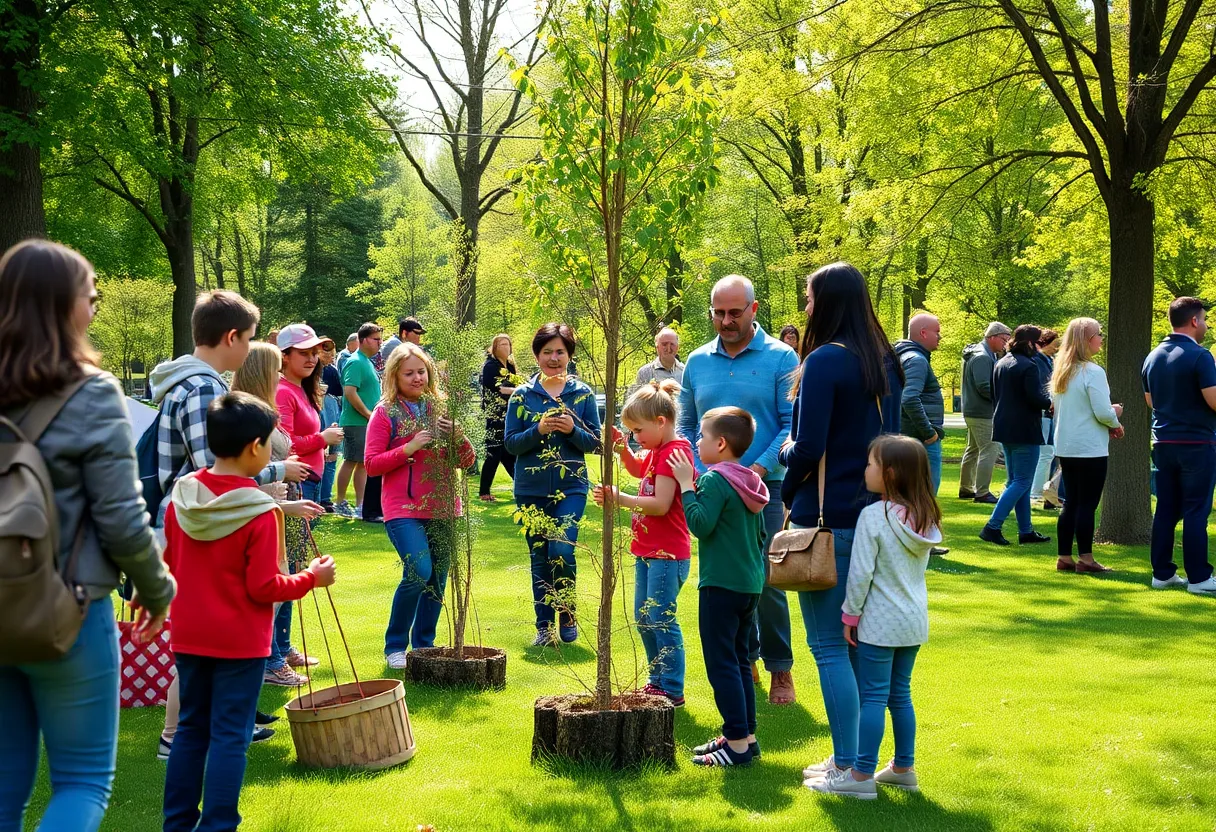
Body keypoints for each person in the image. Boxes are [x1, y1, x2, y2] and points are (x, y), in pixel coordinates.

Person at [0, 240, 176, 832]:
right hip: (68, 608)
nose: (97, 301)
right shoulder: (90, 391)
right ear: (60, 304)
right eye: (90, 291)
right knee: (80, 783)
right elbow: (123, 518)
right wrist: (157, 589)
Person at [161, 392, 336, 832]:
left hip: (188, 633)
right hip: (239, 643)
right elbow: (264, 588)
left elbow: (169, 567)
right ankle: (219, 825)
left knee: (190, 731)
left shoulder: (183, 498)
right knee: (228, 738)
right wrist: (312, 577)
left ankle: (177, 825)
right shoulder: (260, 512)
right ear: (256, 447)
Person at [778, 262, 903, 793]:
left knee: (829, 644)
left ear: (826, 302)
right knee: (855, 644)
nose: (806, 307)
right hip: (875, 516)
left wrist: (784, 461)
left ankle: (853, 768)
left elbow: (807, 448)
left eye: (809, 297)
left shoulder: (826, 360)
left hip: (827, 522)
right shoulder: (886, 360)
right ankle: (847, 758)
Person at [678, 274, 800, 705]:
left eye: (734, 312)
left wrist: (755, 468)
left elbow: (790, 425)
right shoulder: (696, 361)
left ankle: (780, 668)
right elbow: (687, 425)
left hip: (762, 489)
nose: (725, 321)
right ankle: (744, 661)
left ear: (754, 308)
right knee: (727, 580)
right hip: (712, 490)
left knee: (767, 578)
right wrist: (696, 473)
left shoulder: (782, 357)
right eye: (718, 312)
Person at [807, 435, 941, 798]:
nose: (864, 470)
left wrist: (849, 616)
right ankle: (903, 767)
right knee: (900, 694)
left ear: (891, 474)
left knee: (873, 696)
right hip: (913, 621)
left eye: (870, 464)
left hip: (879, 623)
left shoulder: (873, 516)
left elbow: (861, 573)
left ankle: (862, 775)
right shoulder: (925, 515)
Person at [669, 408, 769, 767]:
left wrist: (685, 485)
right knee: (741, 660)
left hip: (720, 585)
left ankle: (737, 746)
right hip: (749, 585)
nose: (697, 443)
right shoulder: (750, 481)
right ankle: (745, 736)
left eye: (702, 437)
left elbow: (700, 524)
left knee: (722, 664)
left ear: (721, 443)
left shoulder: (713, 481)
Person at [366, 344, 476, 669]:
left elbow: (467, 462)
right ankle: (395, 646)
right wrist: (408, 448)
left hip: (443, 507)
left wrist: (460, 438)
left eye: (421, 371)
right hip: (403, 509)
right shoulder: (385, 412)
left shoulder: (441, 409)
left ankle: (424, 647)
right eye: (409, 372)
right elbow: (371, 464)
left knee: (439, 577)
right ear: (394, 376)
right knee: (419, 571)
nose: (417, 378)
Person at [594, 379, 694, 707]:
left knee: (660, 617)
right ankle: (657, 681)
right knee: (644, 616)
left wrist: (619, 499)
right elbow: (640, 470)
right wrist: (624, 451)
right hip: (648, 550)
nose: (636, 437)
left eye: (637, 431)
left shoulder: (674, 453)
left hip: (666, 554)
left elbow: (662, 504)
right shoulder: (656, 450)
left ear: (661, 422)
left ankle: (672, 687)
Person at [504, 323, 602, 646]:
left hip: (571, 487)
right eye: (547, 352)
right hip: (530, 489)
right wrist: (539, 430)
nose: (554, 358)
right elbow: (511, 444)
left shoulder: (583, 394)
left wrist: (573, 429)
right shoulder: (521, 396)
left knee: (561, 548)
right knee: (539, 556)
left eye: (560, 351)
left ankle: (567, 610)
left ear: (569, 355)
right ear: (536, 355)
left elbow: (595, 443)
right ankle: (543, 627)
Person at [1142, 296, 1216, 595]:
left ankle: (1162, 573)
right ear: (1194, 321)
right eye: (1206, 320)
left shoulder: (1152, 356)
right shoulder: (1201, 356)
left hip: (1163, 442)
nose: (1208, 325)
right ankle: (1199, 578)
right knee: (1197, 510)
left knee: (1167, 510)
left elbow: (1151, 402)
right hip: (1197, 442)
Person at [1050, 319, 1122, 573]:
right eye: (1098, 334)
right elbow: (1102, 411)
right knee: (1087, 504)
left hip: (1066, 444)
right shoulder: (1092, 371)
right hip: (1089, 446)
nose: (1101, 338)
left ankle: (1064, 556)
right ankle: (1086, 558)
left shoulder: (1061, 370)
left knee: (1071, 502)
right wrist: (1116, 416)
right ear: (1087, 338)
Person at [979, 325, 1053, 547]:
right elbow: (1035, 397)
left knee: (1017, 481)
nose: (1040, 348)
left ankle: (1026, 531)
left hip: (1004, 427)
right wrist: (1050, 404)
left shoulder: (1001, 363)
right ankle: (993, 526)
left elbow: (995, 395)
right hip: (1023, 428)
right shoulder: (1028, 366)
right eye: (1038, 343)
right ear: (1030, 343)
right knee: (1022, 482)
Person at [894, 313, 948, 558]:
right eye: (937, 331)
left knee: (913, 492)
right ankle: (922, 540)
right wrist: (929, 433)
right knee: (926, 491)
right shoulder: (916, 360)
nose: (940, 336)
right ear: (923, 333)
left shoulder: (906, 356)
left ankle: (917, 538)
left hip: (910, 437)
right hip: (920, 439)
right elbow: (909, 398)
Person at [959, 322, 1012, 504]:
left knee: (973, 450)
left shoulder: (978, 353)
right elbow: (984, 386)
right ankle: (982, 492)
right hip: (982, 412)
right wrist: (1004, 398)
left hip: (973, 410)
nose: (1006, 344)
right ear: (992, 337)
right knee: (989, 449)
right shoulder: (983, 357)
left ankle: (966, 488)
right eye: (1004, 339)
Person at [335, 322, 383, 519]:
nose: (380, 343)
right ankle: (339, 502)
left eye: (380, 339)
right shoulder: (355, 361)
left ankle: (361, 504)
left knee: (363, 463)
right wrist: (368, 414)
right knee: (351, 460)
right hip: (357, 422)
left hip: (365, 422)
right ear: (362, 340)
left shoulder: (366, 361)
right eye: (376, 339)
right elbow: (349, 392)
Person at [479, 334, 520, 501]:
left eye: (508, 344)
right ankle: (484, 492)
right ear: (495, 347)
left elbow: (515, 385)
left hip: (509, 413)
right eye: (502, 344)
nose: (506, 347)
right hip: (495, 413)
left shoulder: (510, 366)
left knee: (508, 454)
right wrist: (518, 391)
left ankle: (521, 485)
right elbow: (498, 389)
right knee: (494, 451)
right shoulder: (490, 366)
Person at [1031, 329, 1061, 506]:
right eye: (1054, 345)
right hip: (1044, 413)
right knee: (1045, 453)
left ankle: (1040, 490)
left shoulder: (1047, 360)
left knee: (1047, 452)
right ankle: (1036, 492)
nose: (1056, 349)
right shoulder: (1039, 361)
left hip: (1049, 413)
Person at [318, 341, 344, 510]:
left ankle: (325, 496)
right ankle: (322, 497)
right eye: (325, 352)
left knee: (331, 455)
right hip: (325, 409)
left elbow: (338, 391)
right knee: (323, 454)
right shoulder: (315, 370)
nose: (329, 356)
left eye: (331, 353)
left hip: (331, 409)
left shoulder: (331, 370)